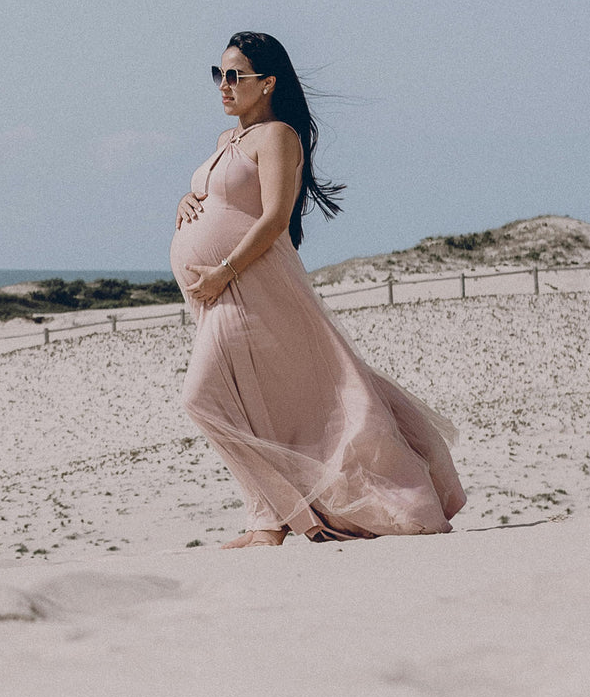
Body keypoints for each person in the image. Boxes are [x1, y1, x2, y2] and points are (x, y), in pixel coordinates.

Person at [170, 31, 466, 547]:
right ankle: (267, 521)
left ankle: (281, 517)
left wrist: (222, 270)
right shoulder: (227, 142)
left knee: (204, 399)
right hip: (220, 294)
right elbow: (222, 199)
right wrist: (185, 202)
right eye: (218, 74)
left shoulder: (278, 135)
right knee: (249, 402)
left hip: (250, 286)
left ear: (267, 84)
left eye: (234, 75)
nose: (223, 85)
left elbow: (274, 218)